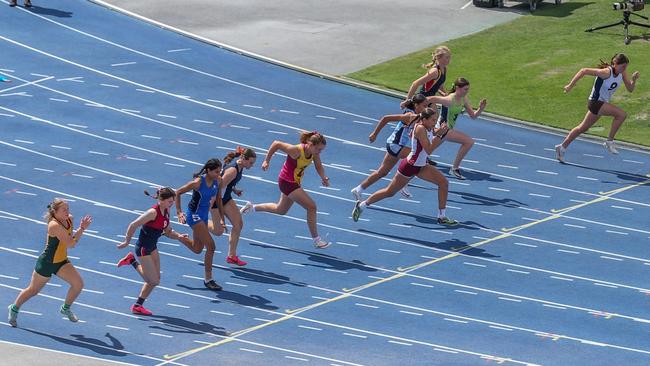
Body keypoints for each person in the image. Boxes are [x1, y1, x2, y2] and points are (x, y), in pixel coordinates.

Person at [352, 108, 457, 225]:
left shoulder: (428, 126)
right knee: (389, 192)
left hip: (421, 166)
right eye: (433, 120)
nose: (434, 122)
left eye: (435, 120)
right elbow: (429, 150)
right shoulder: (420, 129)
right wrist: (440, 137)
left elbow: (433, 132)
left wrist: (440, 131)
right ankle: (362, 205)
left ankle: (441, 217)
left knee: (444, 183)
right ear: (425, 119)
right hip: (410, 166)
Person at [8, 199, 92, 327]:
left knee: (78, 284)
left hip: (61, 261)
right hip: (47, 262)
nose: (67, 212)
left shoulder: (69, 219)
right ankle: (14, 308)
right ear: (55, 212)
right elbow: (71, 244)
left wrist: (79, 230)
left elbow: (70, 239)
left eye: (68, 208)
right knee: (33, 290)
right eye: (64, 209)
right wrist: (82, 229)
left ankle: (65, 308)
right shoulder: (54, 225)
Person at [240, 131, 331, 249]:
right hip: (287, 182)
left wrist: (323, 177)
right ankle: (317, 240)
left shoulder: (314, 153)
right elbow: (276, 144)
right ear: (310, 144)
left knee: (281, 209)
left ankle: (252, 207)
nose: (320, 152)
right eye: (319, 149)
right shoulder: (296, 150)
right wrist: (267, 160)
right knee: (311, 207)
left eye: (321, 150)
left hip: (294, 182)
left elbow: (318, 166)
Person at [116, 188, 191, 315]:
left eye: (172, 201)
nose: (171, 204)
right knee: (153, 281)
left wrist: (178, 236)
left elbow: (167, 231)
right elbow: (133, 224)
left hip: (153, 247)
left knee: (156, 279)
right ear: (160, 200)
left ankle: (137, 306)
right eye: (169, 201)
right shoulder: (152, 212)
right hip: (143, 249)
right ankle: (132, 260)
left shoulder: (166, 211)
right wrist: (127, 241)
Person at [555, 53, 640, 163]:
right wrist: (570, 85)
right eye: (623, 66)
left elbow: (630, 89)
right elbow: (583, 70)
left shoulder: (622, 73)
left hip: (602, 104)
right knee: (621, 115)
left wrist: (634, 79)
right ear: (615, 63)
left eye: (626, 66)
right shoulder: (605, 72)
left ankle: (561, 147)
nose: (625, 69)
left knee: (582, 128)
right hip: (595, 103)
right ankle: (609, 142)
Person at [351, 94, 431, 201]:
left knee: (382, 172)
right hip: (395, 144)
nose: (426, 108)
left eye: (427, 105)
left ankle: (358, 189)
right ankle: (403, 184)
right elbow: (386, 118)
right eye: (424, 105)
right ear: (416, 105)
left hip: (394, 145)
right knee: (418, 160)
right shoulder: (409, 116)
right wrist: (374, 134)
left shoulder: (418, 116)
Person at [175, 159, 226, 291]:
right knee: (211, 246)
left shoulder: (218, 181)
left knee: (197, 249)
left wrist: (222, 218)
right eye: (216, 171)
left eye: (219, 171)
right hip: (194, 215)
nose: (218, 174)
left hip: (204, 215)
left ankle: (179, 237)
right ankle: (208, 280)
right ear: (208, 170)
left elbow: (219, 199)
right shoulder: (198, 183)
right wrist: (179, 212)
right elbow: (178, 192)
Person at [425, 77, 487, 180]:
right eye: (465, 89)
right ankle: (455, 168)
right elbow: (431, 99)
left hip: (445, 131)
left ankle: (416, 165)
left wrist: (481, 108)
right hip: (443, 130)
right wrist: (416, 105)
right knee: (469, 142)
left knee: (424, 153)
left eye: (468, 89)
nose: (467, 91)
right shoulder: (449, 99)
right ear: (458, 88)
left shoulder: (464, 99)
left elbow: (473, 116)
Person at [209, 147, 257, 266]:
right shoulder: (233, 170)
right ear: (243, 159)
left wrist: (234, 190)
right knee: (218, 231)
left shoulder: (240, 167)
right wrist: (211, 207)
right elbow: (217, 188)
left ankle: (232, 256)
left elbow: (227, 183)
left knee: (238, 224)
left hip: (226, 197)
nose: (252, 165)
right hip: (216, 200)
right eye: (250, 162)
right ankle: (200, 221)